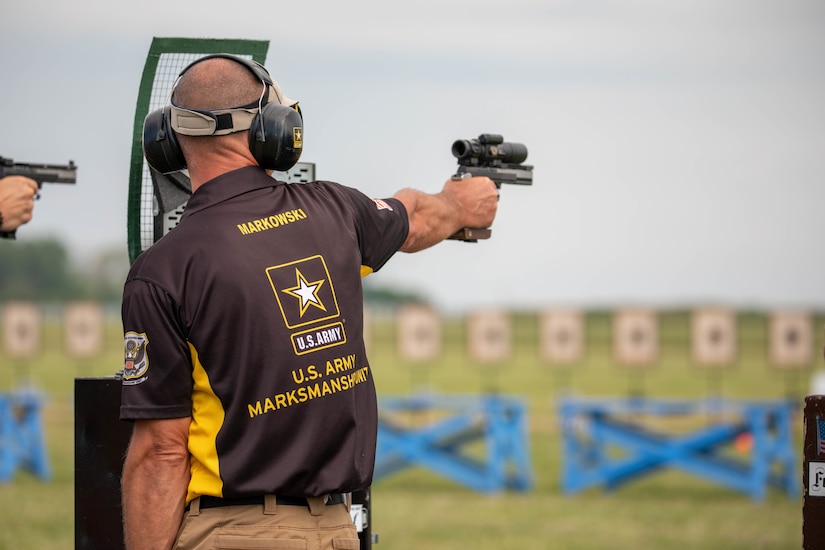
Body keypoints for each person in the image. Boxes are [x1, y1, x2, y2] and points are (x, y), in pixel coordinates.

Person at [119, 54, 498, 550]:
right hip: (337, 528)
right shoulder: (336, 213)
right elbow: (420, 215)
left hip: (232, 533)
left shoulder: (164, 271)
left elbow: (161, 454)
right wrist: (461, 204)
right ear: (273, 130)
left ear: (166, 139)